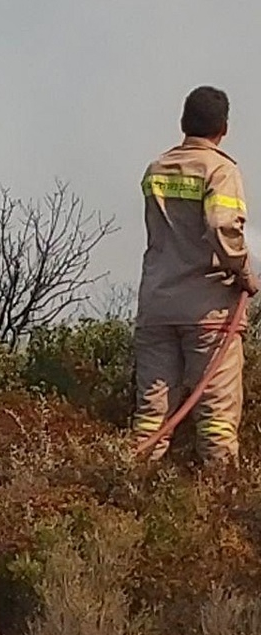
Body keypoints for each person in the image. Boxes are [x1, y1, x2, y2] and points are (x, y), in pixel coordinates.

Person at [133, 85, 257, 465]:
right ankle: (221, 505)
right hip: (208, 313)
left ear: (183, 122)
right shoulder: (220, 170)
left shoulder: (156, 169)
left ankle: (129, 495)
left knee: (151, 418)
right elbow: (223, 226)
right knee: (217, 419)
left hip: (156, 308)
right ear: (224, 128)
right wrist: (244, 272)